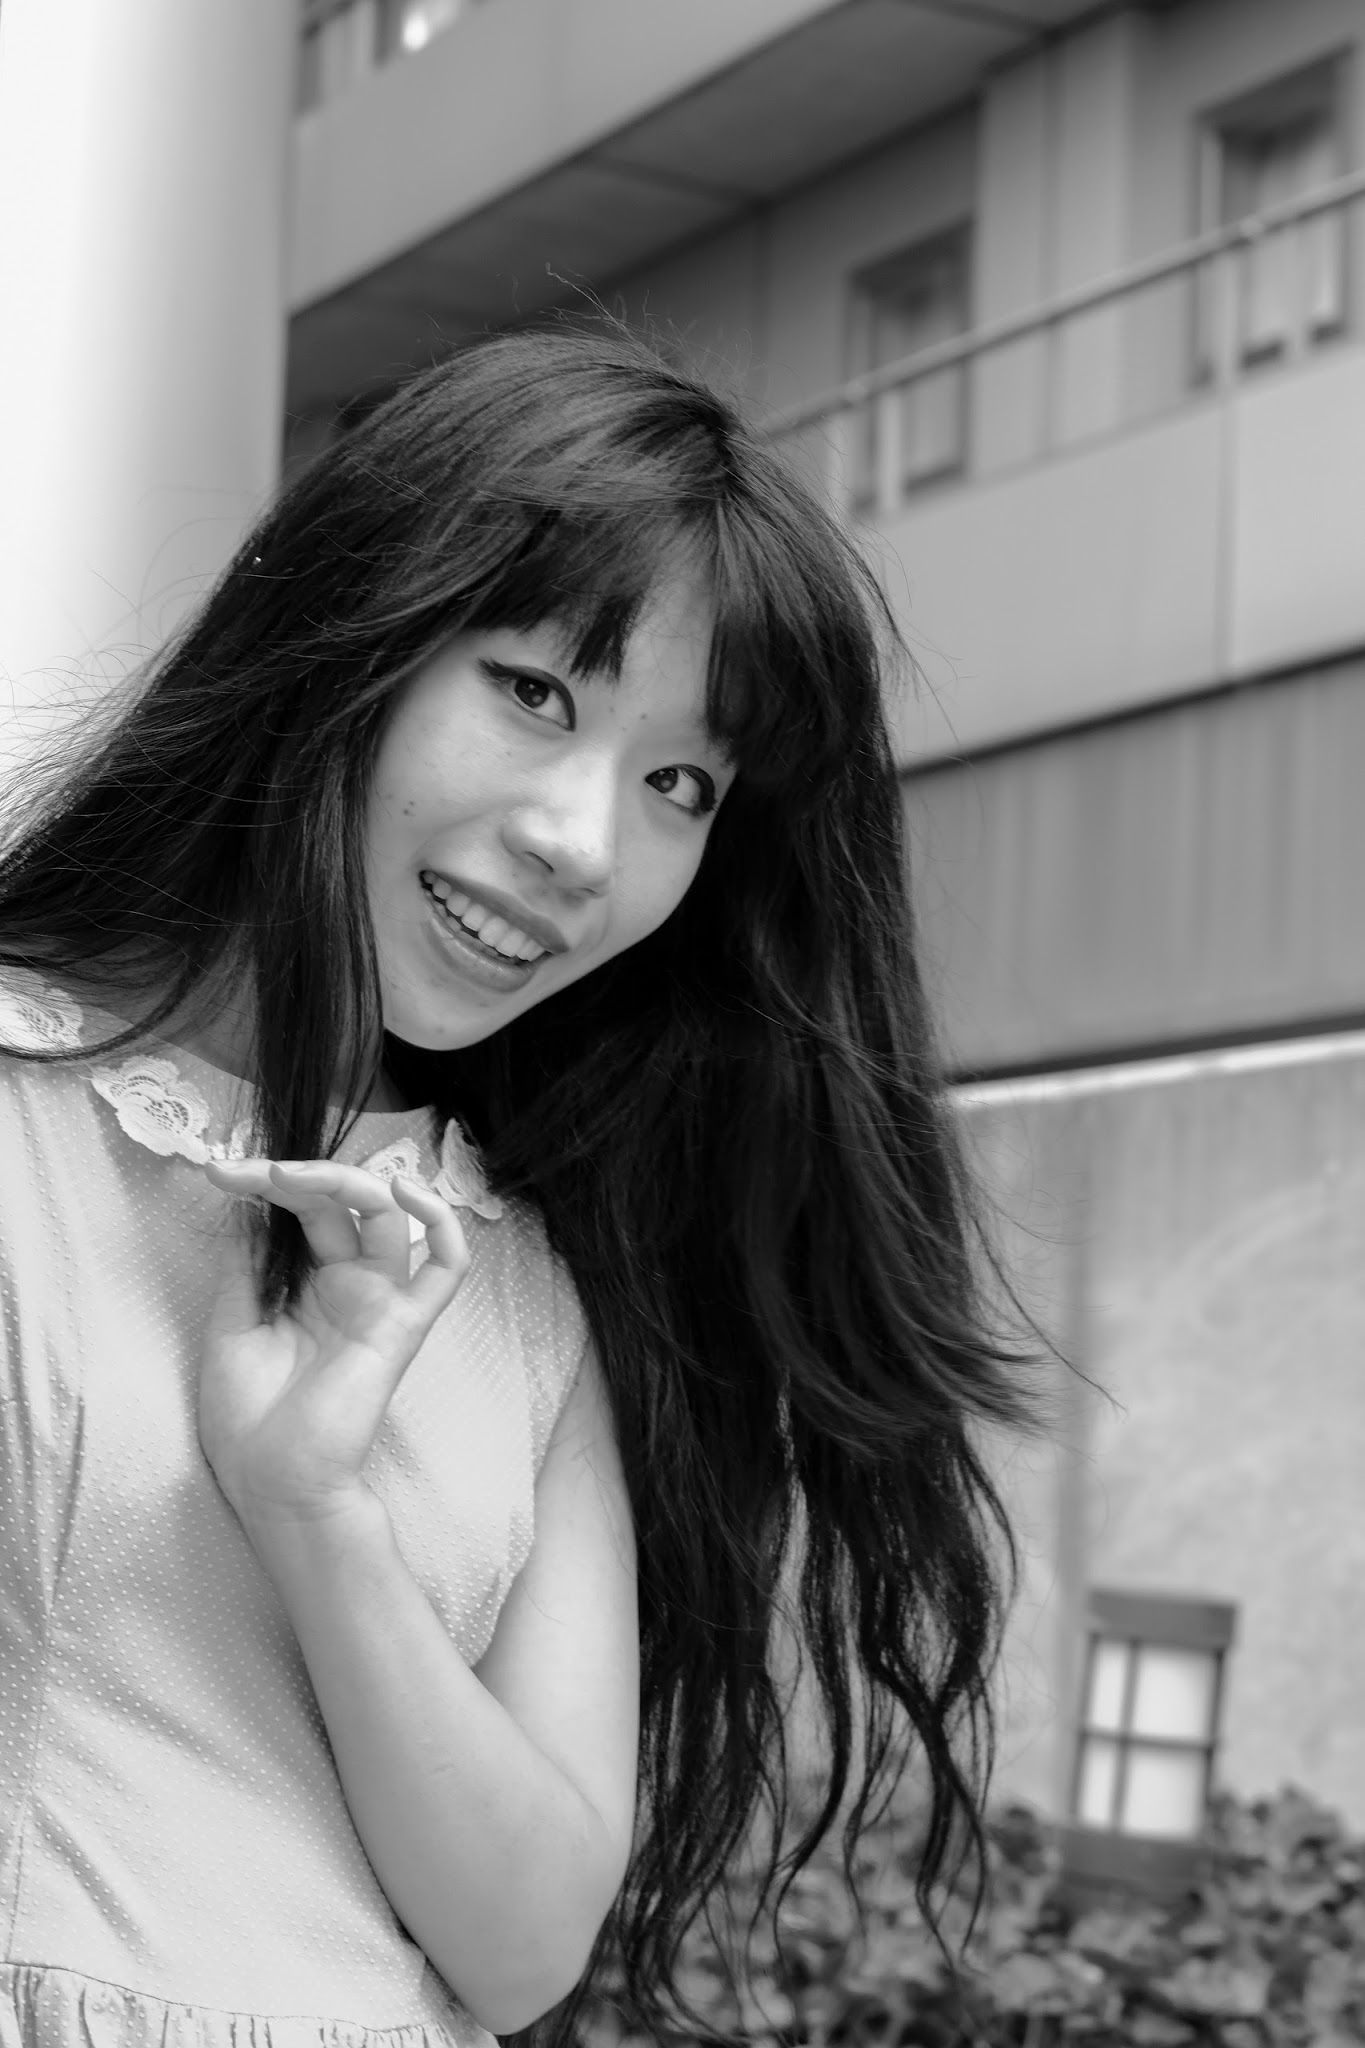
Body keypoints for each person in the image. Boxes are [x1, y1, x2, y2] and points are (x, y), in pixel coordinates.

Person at [0, 325, 1037, 2048]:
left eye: (678, 785)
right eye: (536, 692)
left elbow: (521, 1946)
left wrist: (315, 1509)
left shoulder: (523, 1282)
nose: (581, 843)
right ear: (349, 637)